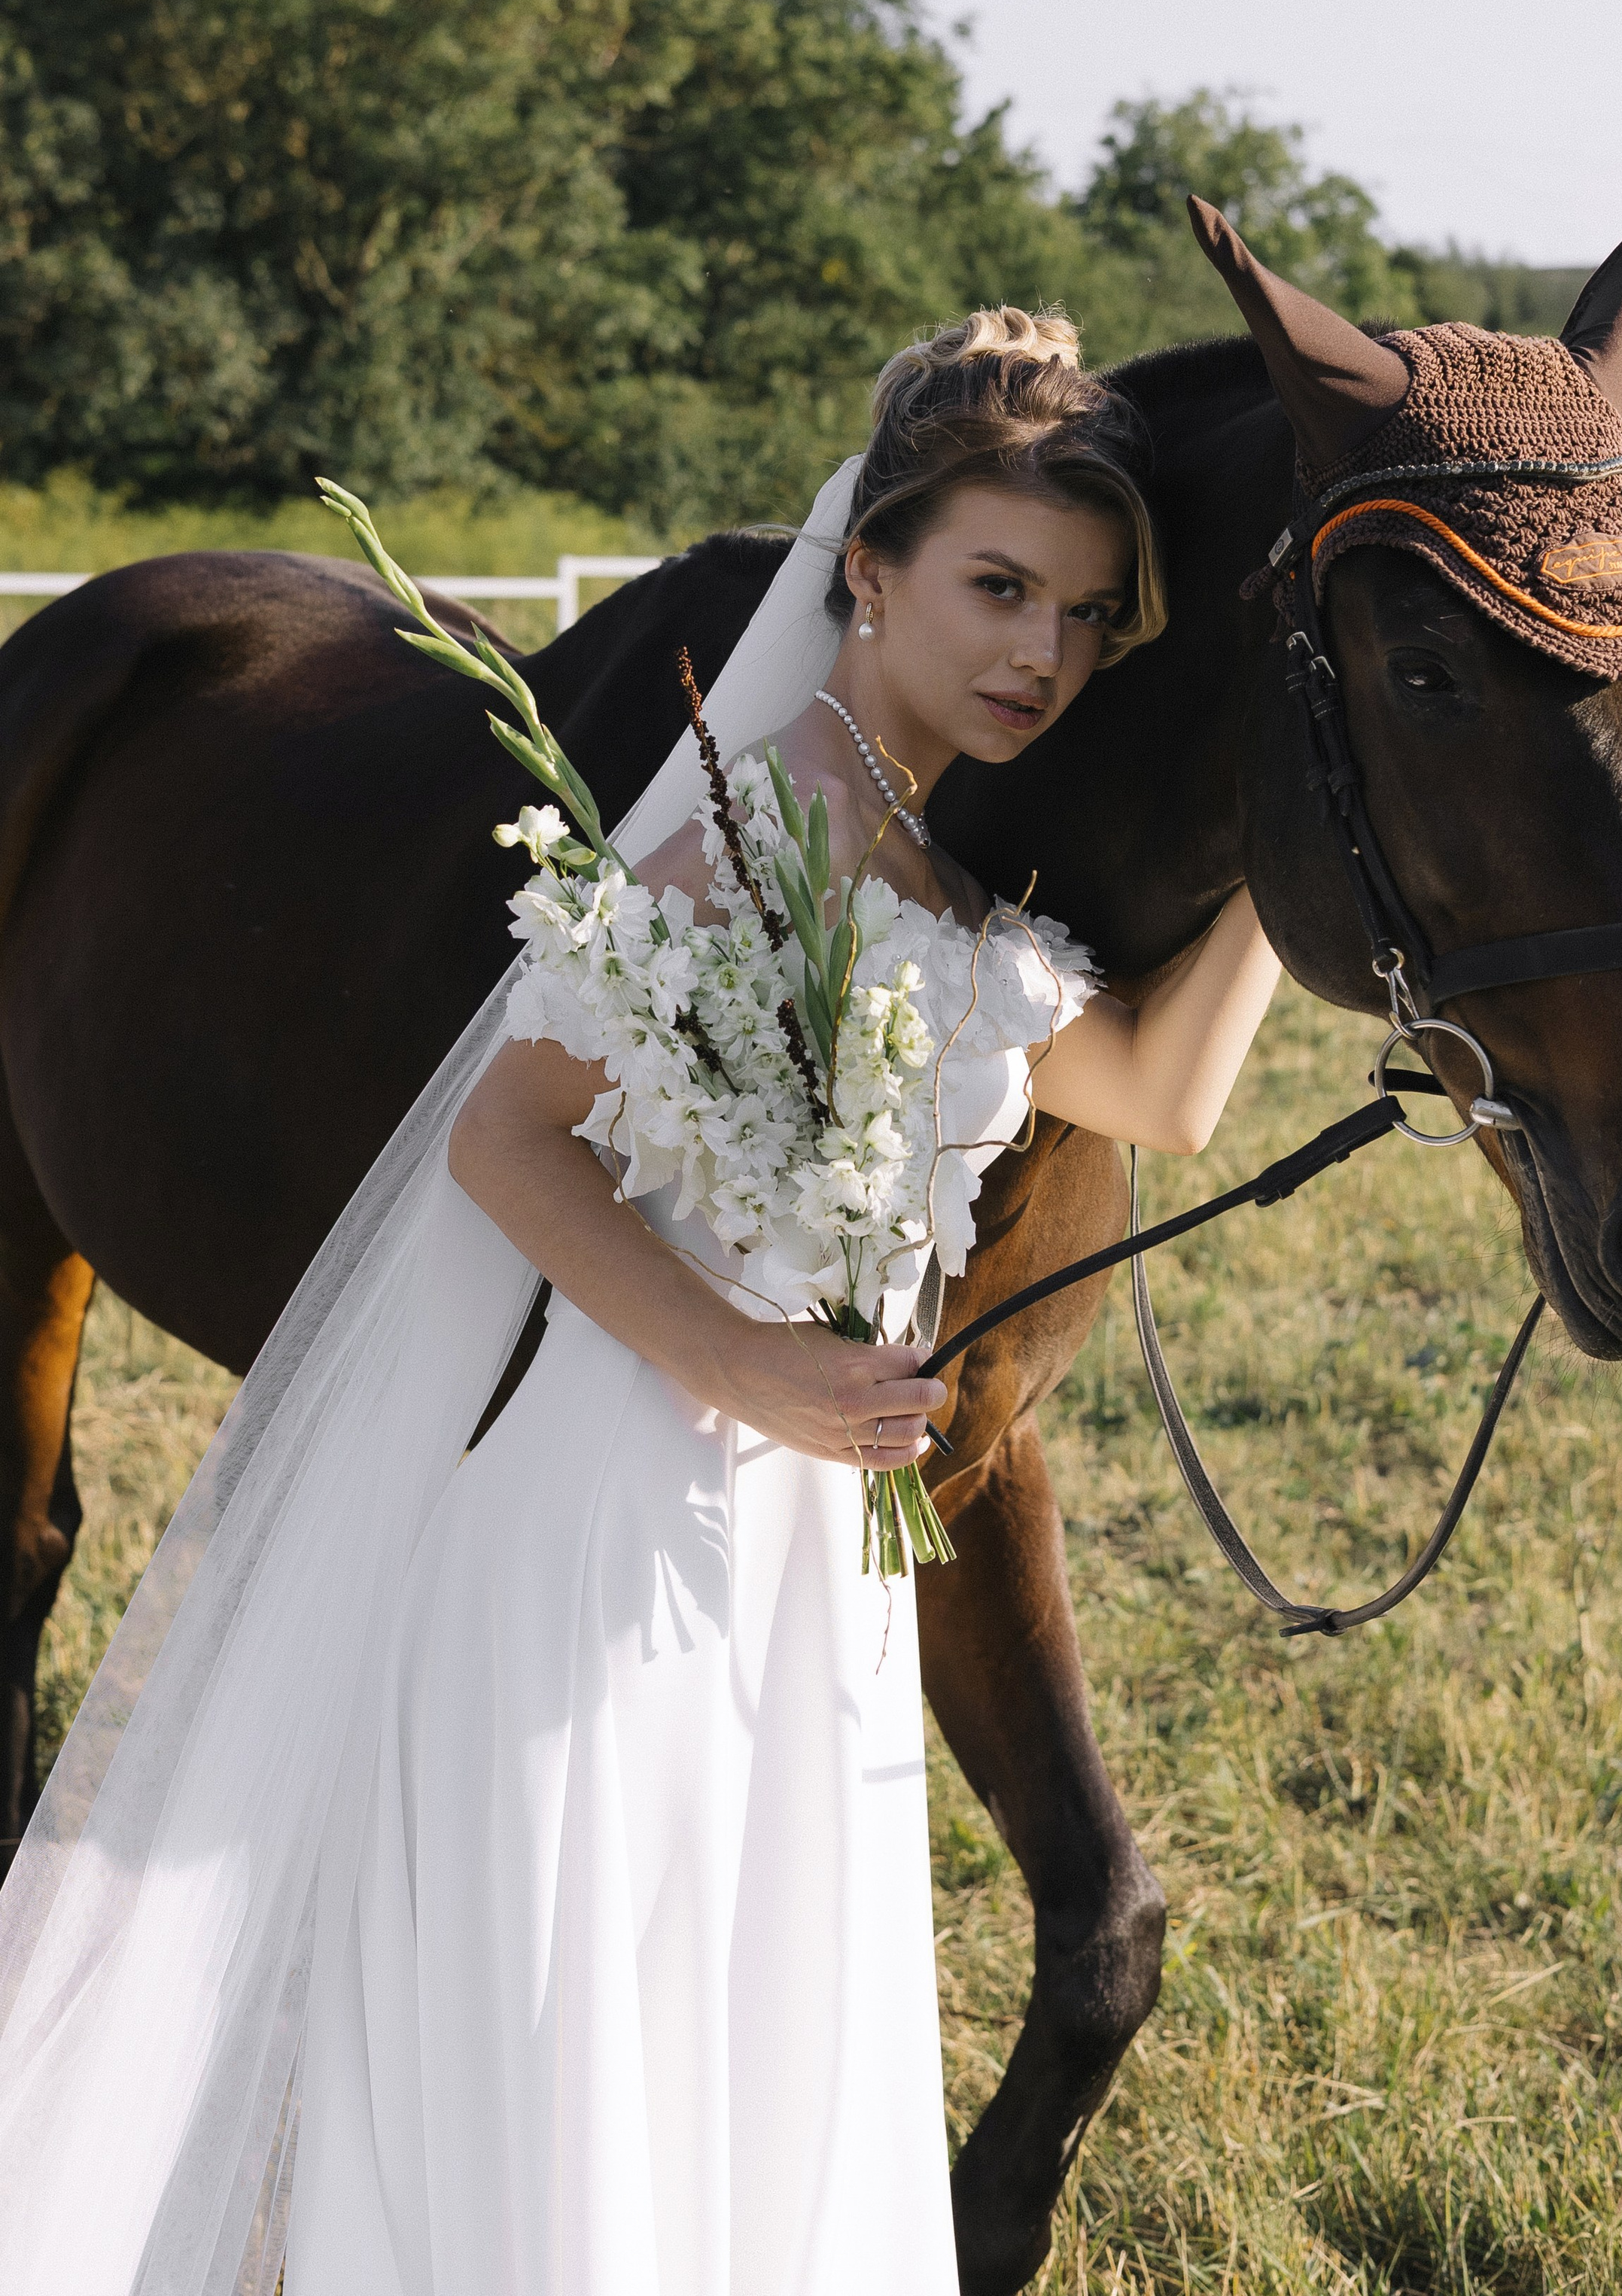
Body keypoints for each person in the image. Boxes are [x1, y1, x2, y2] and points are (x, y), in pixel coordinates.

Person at [283, 307, 1283, 2294]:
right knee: (604, 2059)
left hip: (799, 1548)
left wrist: (1293, 806)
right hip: (620, 1520)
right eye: (1000, 588)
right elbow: (505, 1136)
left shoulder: (920, 845)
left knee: (737, 2040)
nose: (1044, 652)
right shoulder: (764, 820)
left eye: (1087, 616)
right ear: (868, 568)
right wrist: (752, 1361)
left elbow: (1164, 1096)